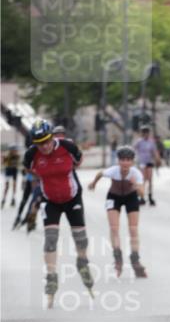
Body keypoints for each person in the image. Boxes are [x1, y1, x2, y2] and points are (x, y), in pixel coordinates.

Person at [23, 118, 94, 306]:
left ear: (52, 137)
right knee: (51, 238)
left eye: (47, 141)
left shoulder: (67, 146)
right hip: (50, 200)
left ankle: (82, 261)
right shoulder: (31, 155)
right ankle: (51, 276)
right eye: (39, 143)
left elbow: (78, 161)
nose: (44, 146)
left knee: (80, 238)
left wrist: (62, 170)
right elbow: (29, 169)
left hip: (72, 198)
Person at [88, 146, 147, 277]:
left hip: (131, 197)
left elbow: (142, 194)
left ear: (132, 161)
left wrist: (135, 185)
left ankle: (135, 258)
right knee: (114, 228)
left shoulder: (136, 173)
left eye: (128, 160)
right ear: (118, 161)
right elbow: (100, 174)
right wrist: (93, 183)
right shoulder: (113, 171)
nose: (125, 163)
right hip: (114, 197)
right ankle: (117, 256)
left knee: (133, 229)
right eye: (122, 160)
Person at [134, 125, 161, 206]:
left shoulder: (151, 142)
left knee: (150, 180)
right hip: (141, 162)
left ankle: (150, 196)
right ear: (142, 133)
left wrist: (158, 160)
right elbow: (133, 149)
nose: (146, 134)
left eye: (147, 132)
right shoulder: (139, 142)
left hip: (149, 162)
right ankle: (141, 197)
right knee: (143, 180)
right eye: (144, 133)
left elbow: (154, 152)